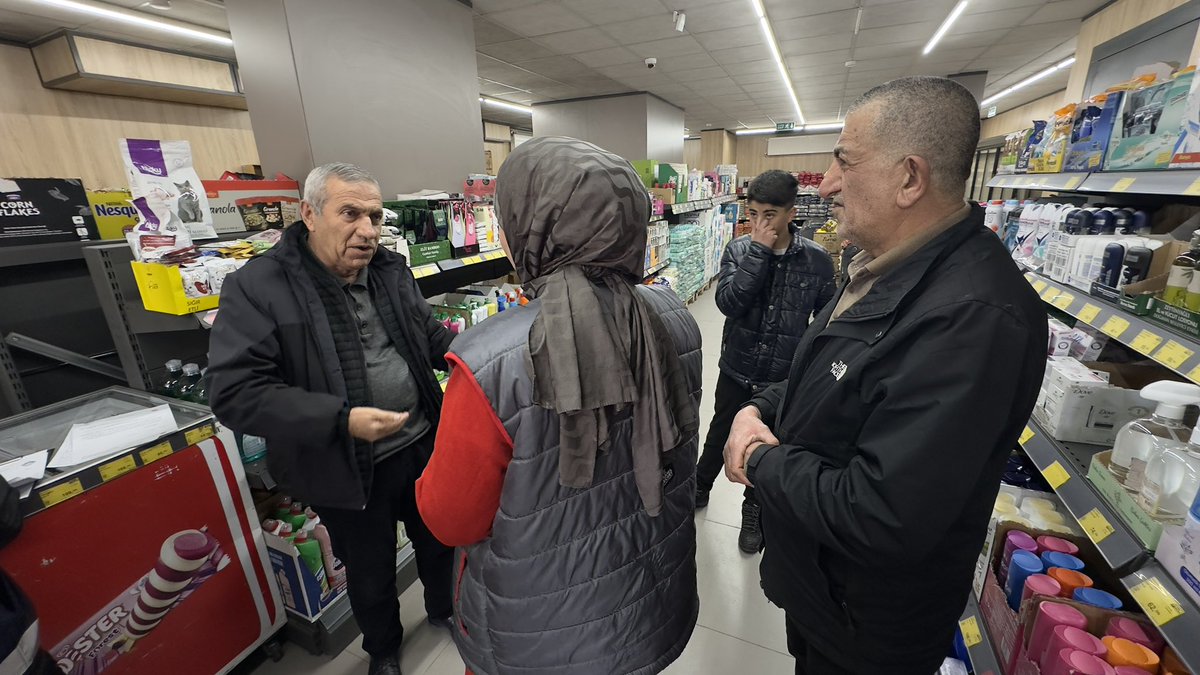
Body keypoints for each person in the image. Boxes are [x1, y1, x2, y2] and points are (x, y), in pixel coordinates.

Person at [723, 76, 1047, 674]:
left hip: (866, 626)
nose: (829, 182)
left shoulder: (971, 320)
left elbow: (881, 513)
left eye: (845, 160)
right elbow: (834, 377)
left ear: (909, 178)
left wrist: (763, 459)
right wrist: (762, 408)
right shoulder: (885, 267)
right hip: (828, 595)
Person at [415, 136, 702, 675]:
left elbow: (451, 518)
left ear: (532, 224)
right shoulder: (673, 317)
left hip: (543, 634)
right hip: (651, 596)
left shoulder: (488, 363)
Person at [207, 163, 454, 675]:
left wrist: (481, 356)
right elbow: (235, 392)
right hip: (338, 464)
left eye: (375, 216)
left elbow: (429, 337)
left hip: (420, 443)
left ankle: (445, 609)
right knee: (369, 571)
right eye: (350, 214)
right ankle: (383, 649)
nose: (367, 229)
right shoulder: (258, 286)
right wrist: (339, 419)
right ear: (309, 214)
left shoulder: (389, 269)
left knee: (439, 541)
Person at [693, 169, 835, 555]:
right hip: (737, 367)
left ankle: (753, 512)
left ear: (791, 213)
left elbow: (826, 324)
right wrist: (757, 251)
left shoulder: (818, 262)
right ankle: (701, 483)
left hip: (780, 379)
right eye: (753, 213)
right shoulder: (739, 251)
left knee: (766, 446)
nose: (759, 223)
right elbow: (729, 304)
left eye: (769, 214)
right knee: (720, 430)